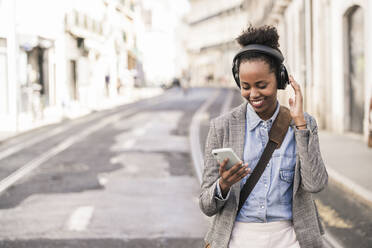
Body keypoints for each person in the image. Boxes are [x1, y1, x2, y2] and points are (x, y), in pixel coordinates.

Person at [199, 25, 328, 248]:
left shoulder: (304, 124)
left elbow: (315, 184)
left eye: (261, 85)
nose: (253, 94)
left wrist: (300, 125)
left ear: (280, 80)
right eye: (245, 86)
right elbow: (206, 205)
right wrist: (223, 185)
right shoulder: (221, 128)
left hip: (291, 239)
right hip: (238, 238)